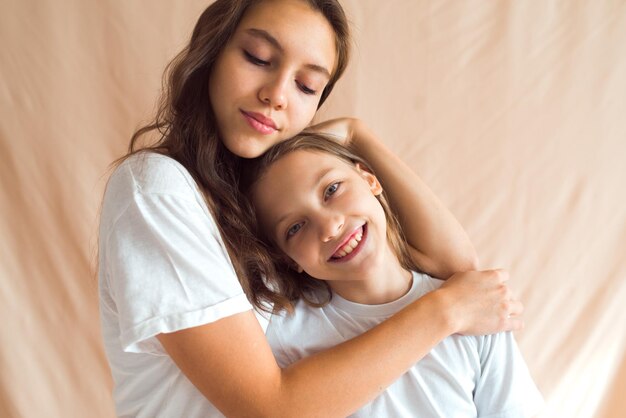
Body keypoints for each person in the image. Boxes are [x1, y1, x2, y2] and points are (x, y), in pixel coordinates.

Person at [98, 0, 524, 417]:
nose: (277, 95)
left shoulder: (253, 208)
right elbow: (267, 408)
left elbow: (455, 269)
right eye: (258, 57)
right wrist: (446, 311)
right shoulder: (157, 190)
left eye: (307, 87)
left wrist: (357, 134)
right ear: (213, 51)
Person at [243, 133, 544, 417]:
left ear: (370, 179)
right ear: (287, 258)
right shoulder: (281, 333)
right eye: (295, 228)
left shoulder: (475, 310)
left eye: (332, 189)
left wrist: (354, 131)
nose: (330, 227)